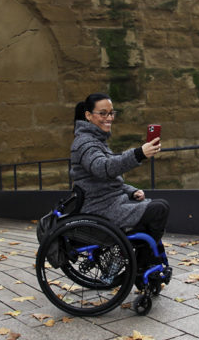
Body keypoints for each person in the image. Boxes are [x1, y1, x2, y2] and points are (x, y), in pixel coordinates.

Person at [70, 93, 168, 277]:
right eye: (103, 113)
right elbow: (103, 168)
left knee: (155, 209)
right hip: (100, 208)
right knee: (159, 209)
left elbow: (107, 179)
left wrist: (131, 191)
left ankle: (137, 260)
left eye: (111, 113)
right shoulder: (84, 143)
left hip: (110, 202)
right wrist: (139, 153)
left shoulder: (96, 140)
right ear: (88, 115)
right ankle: (139, 265)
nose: (109, 118)